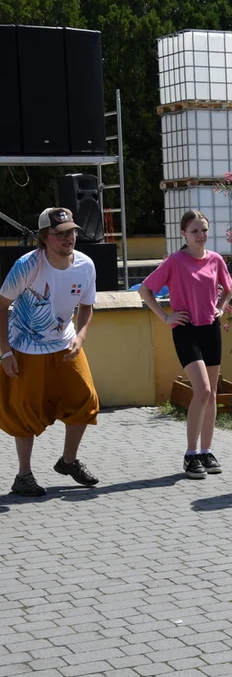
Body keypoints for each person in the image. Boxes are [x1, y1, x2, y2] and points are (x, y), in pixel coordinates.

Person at [0, 207, 100, 497]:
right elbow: (1, 305)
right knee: (25, 411)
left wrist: (80, 336)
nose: (68, 238)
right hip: (25, 347)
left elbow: (86, 305)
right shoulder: (27, 265)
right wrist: (5, 353)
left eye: (72, 232)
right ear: (45, 237)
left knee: (86, 399)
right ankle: (23, 476)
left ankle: (68, 462)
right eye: (60, 234)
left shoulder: (85, 265)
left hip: (65, 342)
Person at [138, 210, 232, 479]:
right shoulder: (175, 261)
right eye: (195, 231)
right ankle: (190, 455)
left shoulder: (215, 260)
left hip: (210, 329)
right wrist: (166, 316)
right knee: (201, 390)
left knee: (212, 393)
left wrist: (221, 308)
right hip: (185, 330)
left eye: (204, 230)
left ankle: (206, 451)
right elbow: (145, 290)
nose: (201, 236)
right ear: (184, 234)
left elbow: (228, 287)